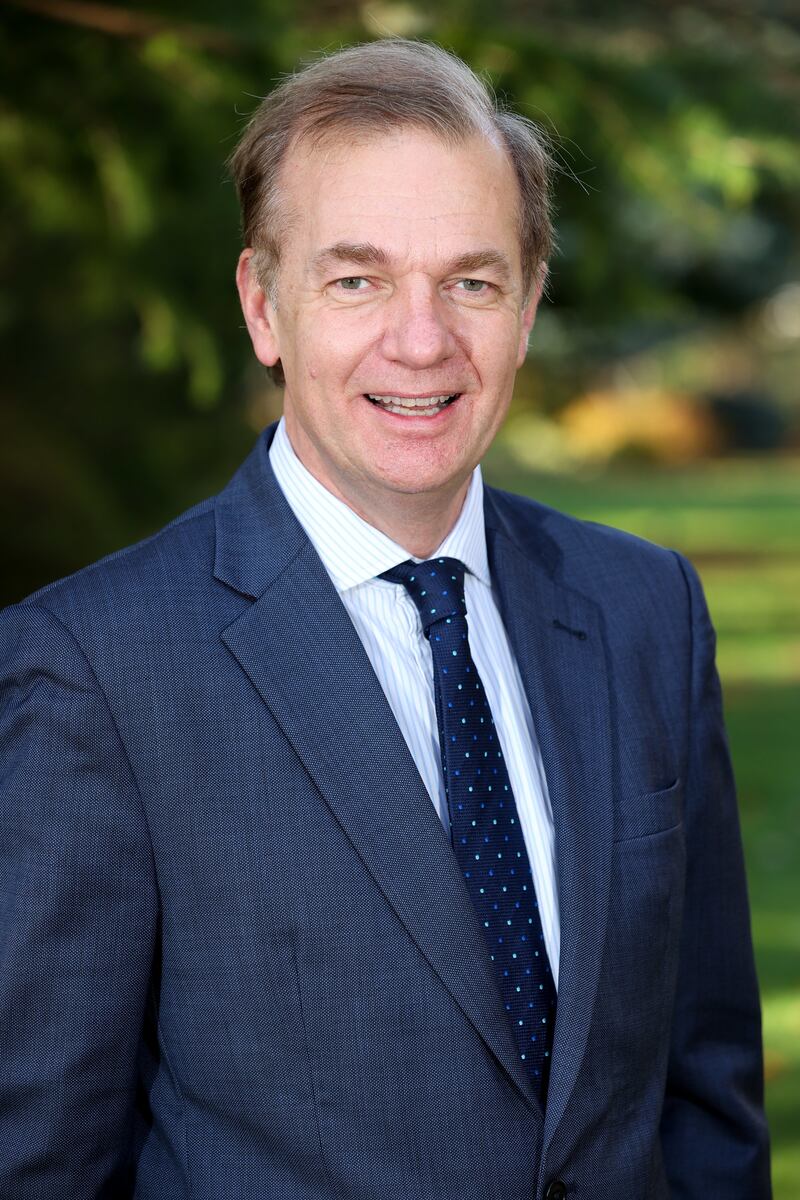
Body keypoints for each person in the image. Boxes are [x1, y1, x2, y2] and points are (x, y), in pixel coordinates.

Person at [0, 38, 770, 1200]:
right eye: (356, 280)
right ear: (263, 306)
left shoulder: (642, 611)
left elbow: (704, 1095)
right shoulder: (96, 670)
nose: (421, 340)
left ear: (527, 306)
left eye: (471, 283)